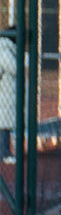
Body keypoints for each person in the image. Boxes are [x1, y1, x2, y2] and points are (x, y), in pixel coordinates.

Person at [0, 32, 16, 161]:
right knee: (3, 125)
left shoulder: (7, 50)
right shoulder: (5, 51)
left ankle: (4, 152)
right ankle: (4, 153)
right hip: (4, 94)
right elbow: (15, 68)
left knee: (5, 125)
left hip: (6, 94)